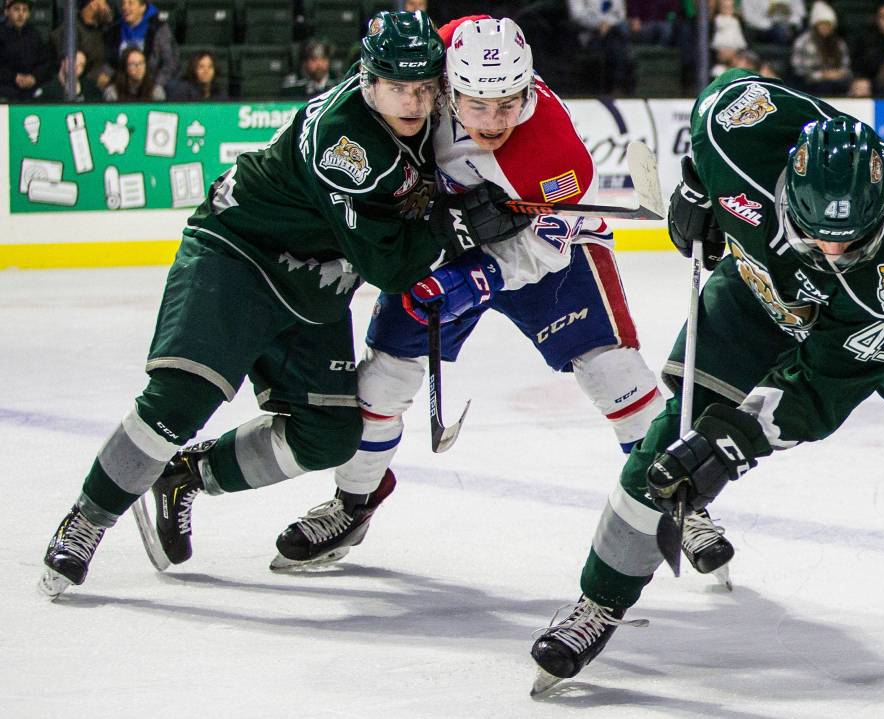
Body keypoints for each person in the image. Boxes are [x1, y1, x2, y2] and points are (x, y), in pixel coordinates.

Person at [144, 15, 732, 579]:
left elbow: (552, 238)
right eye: (476, 104)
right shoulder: (438, 61)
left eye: (508, 103)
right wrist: (453, 243)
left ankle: (683, 497)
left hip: (544, 258)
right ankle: (354, 502)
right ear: (446, 84)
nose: (494, 120)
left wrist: (482, 275)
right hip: (440, 243)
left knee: (615, 373)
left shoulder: (554, 157)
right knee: (379, 385)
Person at [530, 66, 884, 692]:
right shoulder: (738, 129)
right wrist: (695, 194)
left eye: (850, 241)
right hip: (758, 292)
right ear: (787, 189)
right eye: (819, 236)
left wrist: (732, 442)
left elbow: (820, 385)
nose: (833, 252)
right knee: (666, 449)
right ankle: (598, 604)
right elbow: (715, 107)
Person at [39, 10, 530, 598]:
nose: (413, 102)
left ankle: (186, 476)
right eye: (397, 88)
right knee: (181, 397)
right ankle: (87, 521)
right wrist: (459, 227)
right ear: (368, 80)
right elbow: (392, 267)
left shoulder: (433, 117)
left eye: (424, 88)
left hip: (316, 279)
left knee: (327, 434)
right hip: (240, 254)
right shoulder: (345, 144)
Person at [107, 0, 178, 89]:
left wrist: (157, 84)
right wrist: (107, 75)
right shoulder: (115, 29)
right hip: (120, 84)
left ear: (142, 8)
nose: (125, 7)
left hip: (151, 83)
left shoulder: (158, 28)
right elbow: (108, 60)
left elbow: (170, 63)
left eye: (130, 3)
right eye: (123, 3)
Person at [789, 0, 851, 95]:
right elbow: (799, 70)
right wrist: (823, 75)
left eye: (828, 24)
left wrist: (838, 73)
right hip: (810, 82)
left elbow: (845, 65)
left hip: (835, 80)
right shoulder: (803, 41)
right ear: (815, 25)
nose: (825, 27)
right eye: (822, 24)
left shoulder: (838, 43)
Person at [51, 0, 115, 90]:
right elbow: (70, 68)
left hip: (101, 84)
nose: (108, 7)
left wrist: (107, 73)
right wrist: (95, 79)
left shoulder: (100, 28)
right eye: (104, 3)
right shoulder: (70, 30)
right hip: (78, 88)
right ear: (93, 4)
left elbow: (107, 59)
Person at [0, 0, 53, 102]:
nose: (21, 14)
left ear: (28, 14)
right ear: (7, 12)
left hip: (31, 88)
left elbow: (45, 62)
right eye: (16, 9)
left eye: (24, 10)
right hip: (5, 88)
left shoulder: (34, 34)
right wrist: (14, 77)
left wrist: (34, 77)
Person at [36, 49, 102, 101]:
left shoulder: (91, 89)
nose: (76, 66)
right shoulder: (47, 91)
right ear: (63, 62)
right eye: (74, 61)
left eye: (81, 65)